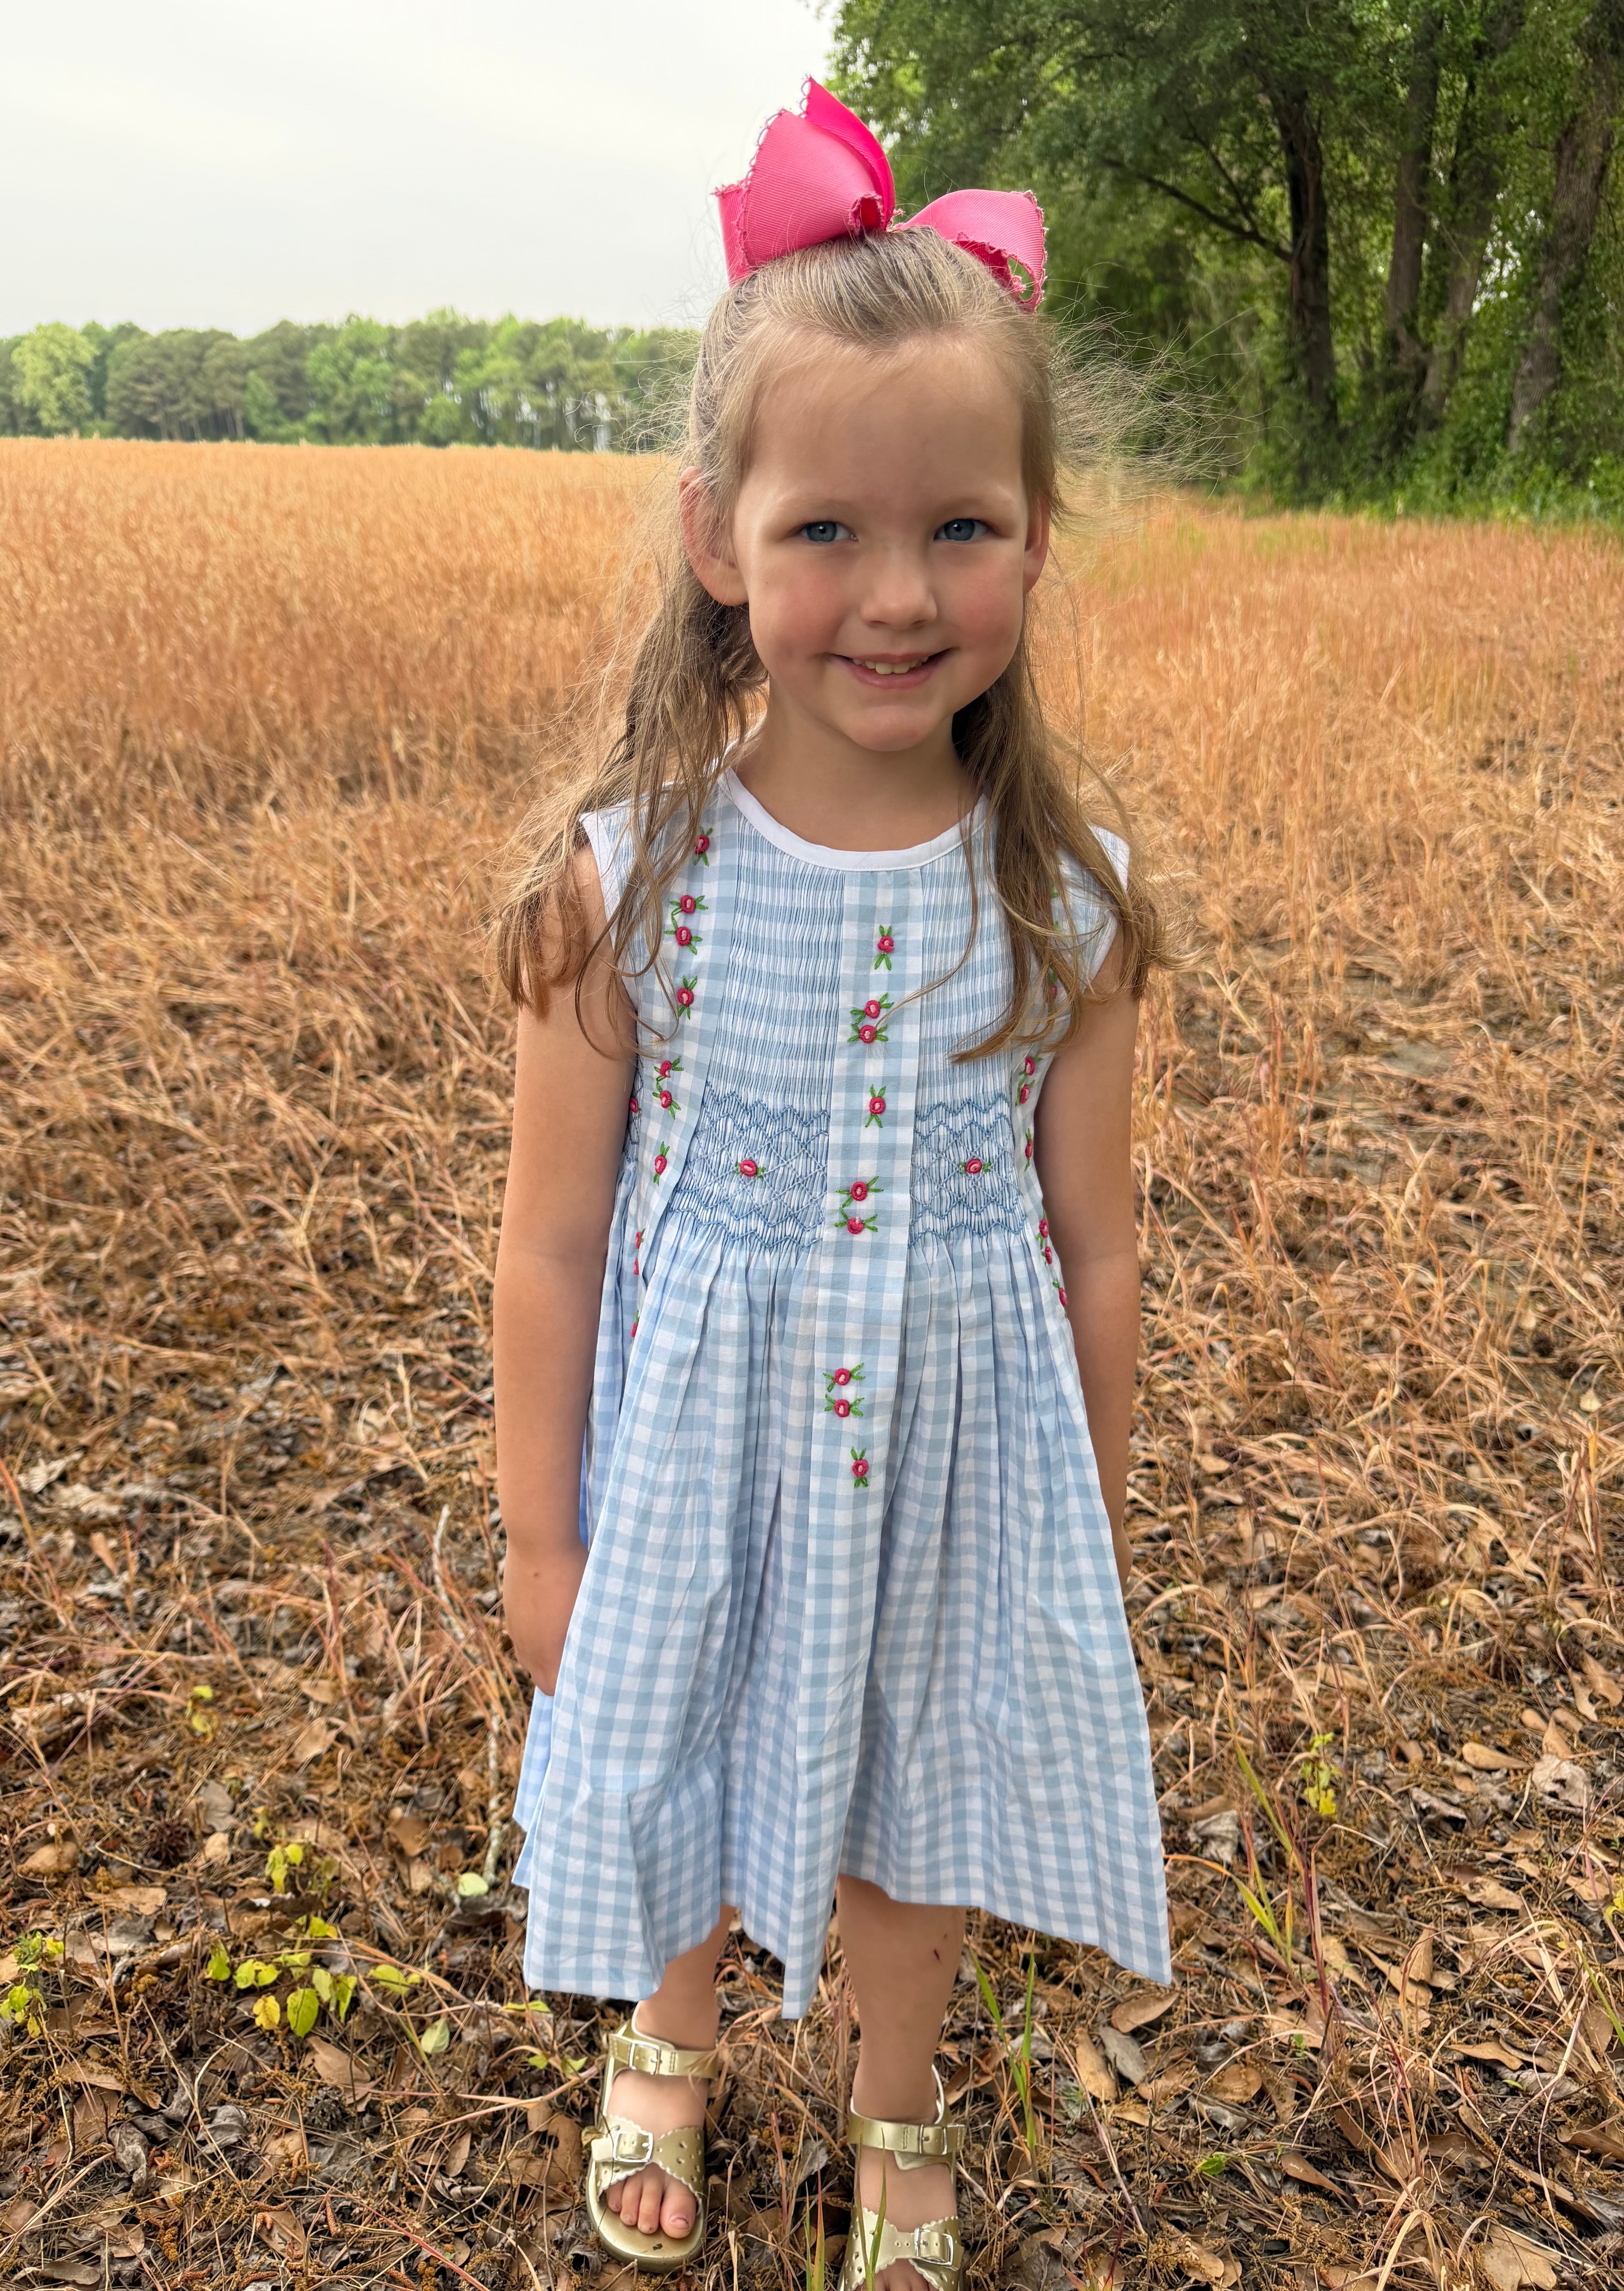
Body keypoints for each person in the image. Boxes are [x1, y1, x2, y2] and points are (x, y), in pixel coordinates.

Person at [492, 80, 1172, 2291]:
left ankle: (897, 2108)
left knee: (919, 1807)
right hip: (696, 1459)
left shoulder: (1064, 895)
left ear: (1040, 539)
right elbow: (556, 1241)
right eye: (826, 536)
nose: (899, 595)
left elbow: (1096, 1241)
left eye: (963, 527)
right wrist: (540, 1532)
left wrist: (1096, 1506)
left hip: (969, 1466)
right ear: (717, 539)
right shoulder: (641, 881)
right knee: (682, 1745)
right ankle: (666, 2049)